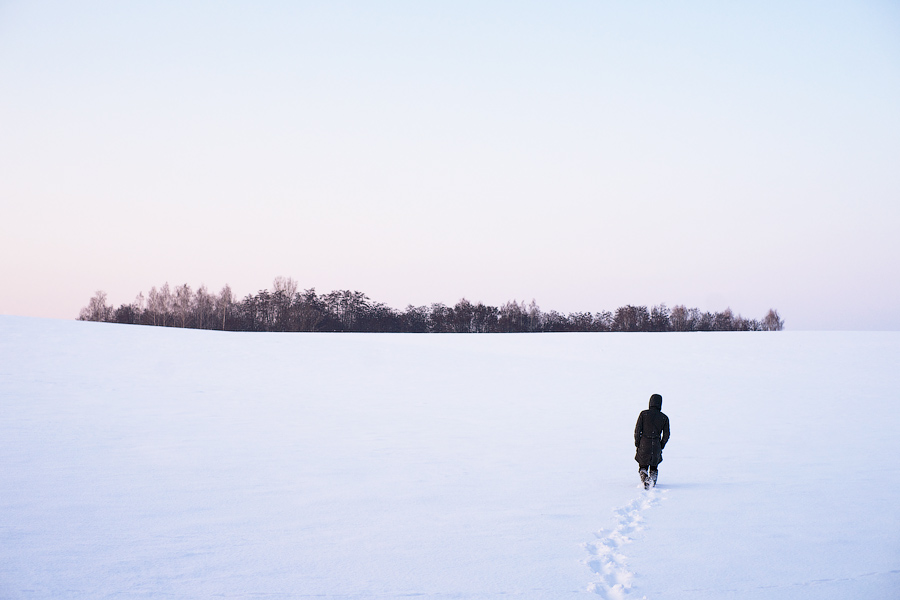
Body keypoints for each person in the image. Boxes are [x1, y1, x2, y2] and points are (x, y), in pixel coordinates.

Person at [634, 393, 670, 489]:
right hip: (656, 444)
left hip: (644, 443)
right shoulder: (664, 417)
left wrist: (637, 442)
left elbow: (637, 430)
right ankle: (652, 481)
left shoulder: (643, 414)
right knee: (654, 466)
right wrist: (661, 444)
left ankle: (645, 479)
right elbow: (666, 435)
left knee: (643, 465)